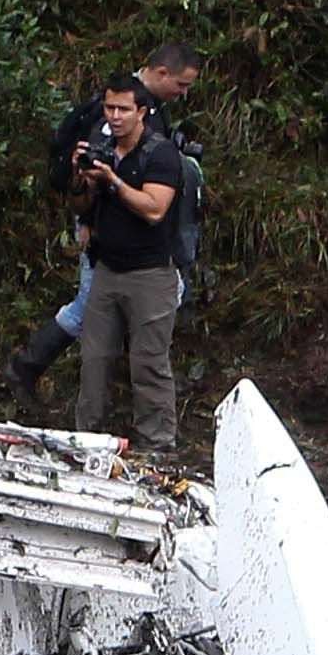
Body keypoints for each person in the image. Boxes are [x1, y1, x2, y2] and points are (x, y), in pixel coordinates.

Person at [0, 46, 203, 413]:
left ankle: (114, 387)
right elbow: (100, 172)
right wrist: (89, 223)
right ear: (160, 72)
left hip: (134, 236)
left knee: (117, 307)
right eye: (181, 84)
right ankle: (26, 368)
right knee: (90, 307)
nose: (183, 92)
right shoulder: (122, 111)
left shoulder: (145, 109)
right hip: (108, 230)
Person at [69, 76, 199, 457]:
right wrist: (83, 181)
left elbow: (155, 209)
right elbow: (80, 209)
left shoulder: (160, 155)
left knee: (149, 361)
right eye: (110, 108)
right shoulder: (103, 146)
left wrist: (113, 181)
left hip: (151, 273)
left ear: (141, 112)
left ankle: (158, 444)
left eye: (123, 109)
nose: (115, 116)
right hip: (107, 267)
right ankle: (86, 436)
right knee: (93, 358)